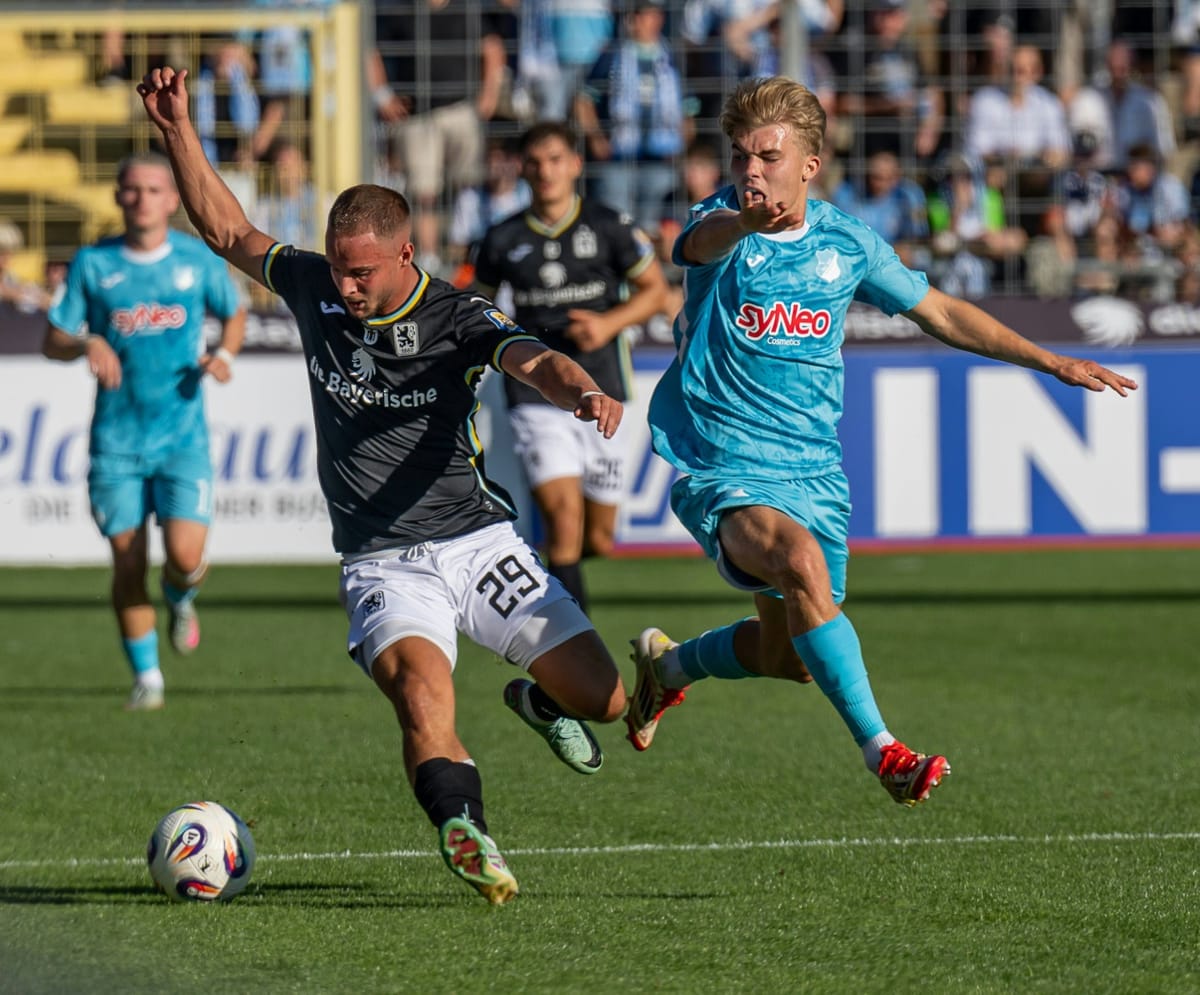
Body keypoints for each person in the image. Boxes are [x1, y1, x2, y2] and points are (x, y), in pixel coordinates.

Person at [137, 65, 628, 905]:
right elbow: (227, 230)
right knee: (420, 694)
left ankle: (542, 701)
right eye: (338, 268)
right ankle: (465, 829)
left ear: (406, 253)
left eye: (362, 272)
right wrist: (177, 128)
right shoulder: (315, 288)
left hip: (477, 542)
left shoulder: (457, 316)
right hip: (383, 560)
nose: (346, 286)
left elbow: (531, 357)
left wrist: (580, 390)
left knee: (607, 698)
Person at [626, 76, 1137, 807]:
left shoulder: (847, 242)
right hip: (726, 461)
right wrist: (742, 222)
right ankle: (885, 752)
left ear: (809, 164)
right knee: (798, 563)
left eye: (768, 157)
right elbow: (697, 246)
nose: (750, 171)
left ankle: (670, 667)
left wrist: (1050, 361)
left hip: (813, 470)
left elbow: (942, 312)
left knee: (788, 654)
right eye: (740, 155)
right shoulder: (722, 223)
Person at [41, 152, 247, 711]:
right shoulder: (93, 263)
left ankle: (179, 599)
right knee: (128, 561)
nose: (142, 199)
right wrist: (88, 341)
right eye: (131, 189)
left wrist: (225, 354)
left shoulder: (196, 260)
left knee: (184, 557)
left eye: (154, 189)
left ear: (173, 200)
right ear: (117, 197)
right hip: (117, 443)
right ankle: (148, 677)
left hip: (182, 440)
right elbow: (53, 338)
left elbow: (234, 312)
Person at [473, 121, 668, 614]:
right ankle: (571, 640)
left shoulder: (608, 226)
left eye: (555, 160)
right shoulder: (502, 238)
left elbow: (655, 292)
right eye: (535, 163)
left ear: (575, 165)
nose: (546, 172)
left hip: (605, 392)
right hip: (536, 394)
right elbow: (476, 308)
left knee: (597, 537)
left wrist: (607, 325)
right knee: (563, 521)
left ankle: (561, 579)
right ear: (522, 169)